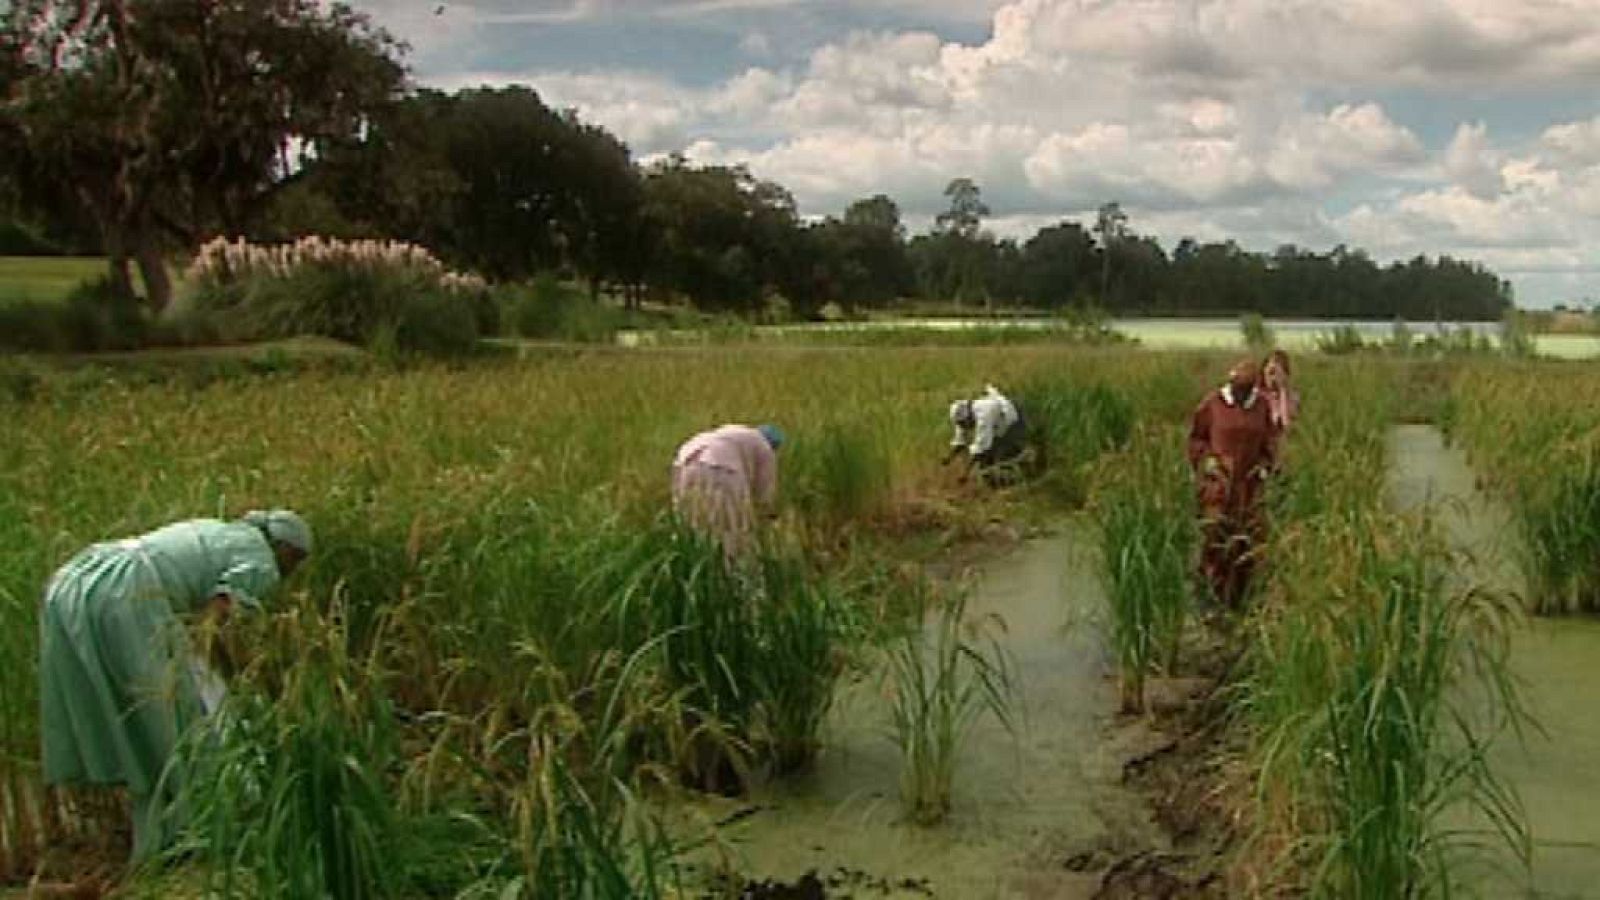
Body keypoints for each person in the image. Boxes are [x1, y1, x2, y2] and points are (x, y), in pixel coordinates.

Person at [39, 509, 313, 861]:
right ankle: (200, 837)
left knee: (133, 719)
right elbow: (215, 628)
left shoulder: (220, 531)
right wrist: (256, 680)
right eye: (296, 562)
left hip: (78, 581)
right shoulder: (262, 561)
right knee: (178, 727)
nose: (291, 572)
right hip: (130, 592)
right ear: (285, 550)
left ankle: (157, 842)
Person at [1187, 360, 1275, 610]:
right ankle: (1209, 596)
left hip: (1249, 487)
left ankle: (1240, 598)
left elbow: (1269, 443)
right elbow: (1196, 439)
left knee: (1247, 541)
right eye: (1238, 387)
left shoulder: (1261, 406)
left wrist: (1266, 466)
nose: (1241, 393)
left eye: (1247, 389)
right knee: (1215, 536)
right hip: (1218, 487)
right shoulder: (1213, 404)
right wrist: (1207, 461)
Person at [671, 423, 783, 557]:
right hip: (721, 468)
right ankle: (730, 563)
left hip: (684, 463)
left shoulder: (736, 434)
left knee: (692, 521)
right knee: (731, 527)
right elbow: (763, 493)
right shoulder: (764, 447)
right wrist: (767, 519)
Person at [945, 385, 1027, 485]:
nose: (963, 427)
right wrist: (948, 458)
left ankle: (1017, 477)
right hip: (998, 425)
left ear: (968, 417)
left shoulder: (983, 416)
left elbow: (979, 448)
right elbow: (960, 439)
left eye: (963, 423)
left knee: (993, 458)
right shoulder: (966, 415)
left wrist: (965, 473)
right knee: (987, 459)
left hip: (1011, 421)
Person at [1260, 348, 1298, 439]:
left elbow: (1287, 426)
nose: (1272, 377)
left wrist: (1282, 389)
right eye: (1270, 372)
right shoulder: (1257, 395)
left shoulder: (1292, 397)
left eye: (1276, 372)